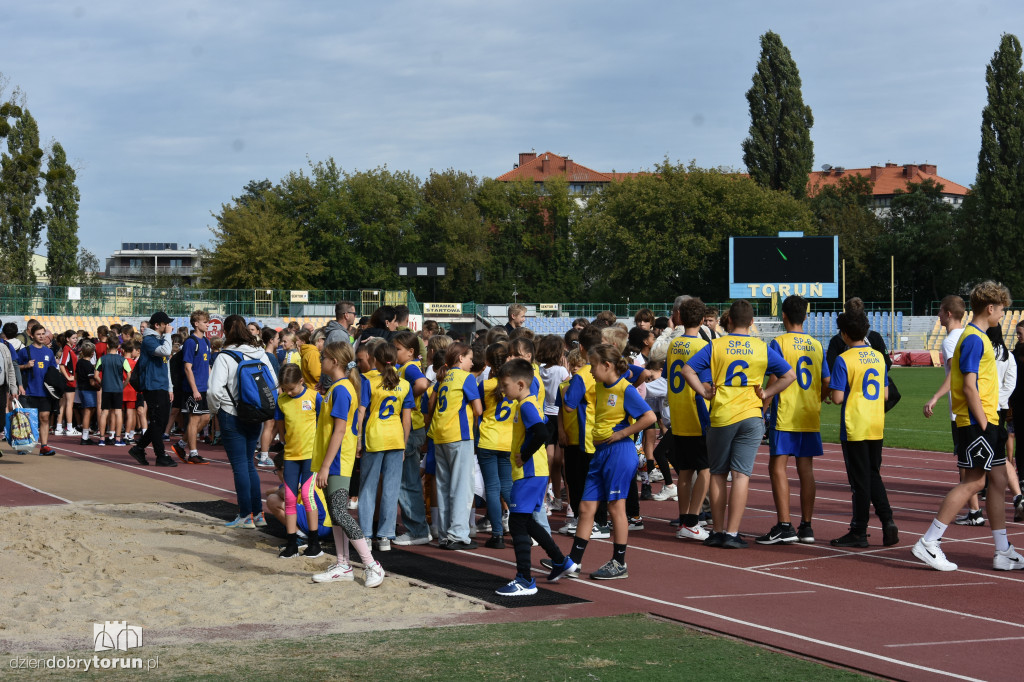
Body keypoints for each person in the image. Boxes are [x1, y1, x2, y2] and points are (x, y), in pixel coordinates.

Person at [913, 281, 1022, 571]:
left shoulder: (978, 337)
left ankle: (1002, 550)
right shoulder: (974, 339)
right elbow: (971, 388)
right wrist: (986, 425)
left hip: (989, 420)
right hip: (977, 422)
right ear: (990, 308)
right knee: (973, 482)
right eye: (1001, 310)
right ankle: (929, 542)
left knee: (998, 483)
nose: (1002, 315)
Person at [681, 300, 795, 549]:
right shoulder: (761, 347)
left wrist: (704, 392)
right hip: (751, 414)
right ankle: (733, 533)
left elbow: (687, 370)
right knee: (741, 475)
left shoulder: (716, 345)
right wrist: (766, 393)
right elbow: (790, 375)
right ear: (752, 322)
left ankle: (718, 531)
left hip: (722, 413)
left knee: (718, 473)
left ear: (729, 320)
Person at [563, 344, 655, 579]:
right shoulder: (601, 386)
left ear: (607, 365)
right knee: (585, 507)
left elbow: (649, 417)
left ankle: (619, 562)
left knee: (616, 507)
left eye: (592, 365)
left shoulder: (625, 389)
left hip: (619, 451)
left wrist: (623, 433)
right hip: (601, 451)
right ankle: (573, 562)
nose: (589, 370)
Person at [495, 358, 577, 596]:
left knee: (517, 522)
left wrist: (525, 452)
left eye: (505, 385)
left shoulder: (526, 405)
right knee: (525, 520)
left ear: (520, 384)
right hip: (534, 471)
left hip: (530, 471)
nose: (502, 389)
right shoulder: (528, 403)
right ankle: (560, 560)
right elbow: (546, 429)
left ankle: (525, 579)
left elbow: (541, 432)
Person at [310, 340, 385, 588]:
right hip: (332, 460)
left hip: (338, 461)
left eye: (324, 357)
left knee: (341, 512)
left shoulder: (342, 389)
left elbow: (340, 431)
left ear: (335, 361)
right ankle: (343, 564)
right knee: (335, 513)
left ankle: (371, 564)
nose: (320, 361)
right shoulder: (338, 388)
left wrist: (324, 466)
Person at [757, 295, 830, 545]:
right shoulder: (817, 345)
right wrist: (818, 399)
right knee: (806, 469)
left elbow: (773, 379)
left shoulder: (778, 343)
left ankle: (785, 525)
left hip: (785, 412)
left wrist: (762, 408)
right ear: (806, 316)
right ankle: (807, 526)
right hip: (809, 413)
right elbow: (827, 382)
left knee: (777, 466)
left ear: (783, 316)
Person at [828, 311, 898, 548]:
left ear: (844, 334)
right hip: (875, 423)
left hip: (854, 424)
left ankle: (859, 529)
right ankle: (888, 521)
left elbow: (837, 398)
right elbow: (887, 393)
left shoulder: (843, 359)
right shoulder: (878, 356)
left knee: (859, 481)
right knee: (872, 474)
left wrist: (834, 391)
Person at [208, 315, 276, 528]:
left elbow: (213, 390)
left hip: (231, 413)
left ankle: (245, 514)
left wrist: (214, 411)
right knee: (249, 464)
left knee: (239, 466)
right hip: (254, 412)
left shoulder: (224, 356)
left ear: (226, 332)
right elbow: (272, 382)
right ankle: (258, 514)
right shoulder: (260, 353)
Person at [923, 296, 983, 525]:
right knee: (974, 461)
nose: (937, 315)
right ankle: (978, 509)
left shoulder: (950, 342)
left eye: (939, 310)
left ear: (948, 313)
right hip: (976, 406)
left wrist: (935, 397)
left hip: (960, 410)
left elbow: (954, 376)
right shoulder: (972, 335)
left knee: (965, 463)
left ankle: (975, 512)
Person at [664, 298, 713, 540]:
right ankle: (693, 521)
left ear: (679, 317)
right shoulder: (702, 347)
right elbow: (704, 383)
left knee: (684, 471)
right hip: (696, 414)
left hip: (678, 413)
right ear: (703, 320)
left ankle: (684, 519)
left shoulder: (674, 345)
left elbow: (667, 375)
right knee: (704, 469)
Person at [358, 342, 413, 551]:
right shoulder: (405, 385)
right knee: (391, 488)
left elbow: (362, 412)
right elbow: (406, 420)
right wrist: (404, 445)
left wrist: (358, 439)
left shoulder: (369, 382)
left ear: (375, 360)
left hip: (375, 436)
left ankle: (364, 534)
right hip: (396, 438)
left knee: (368, 488)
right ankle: (385, 536)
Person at [427, 342, 483, 550]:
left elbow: (432, 405)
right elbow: (478, 410)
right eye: (469, 358)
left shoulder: (443, 377)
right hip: (459, 435)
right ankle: (458, 533)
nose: (471, 363)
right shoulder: (466, 377)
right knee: (461, 486)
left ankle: (444, 534)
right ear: (460, 358)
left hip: (440, 434)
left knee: (443, 485)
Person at [274, 363, 324, 559]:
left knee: (307, 494)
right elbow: (281, 426)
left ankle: (314, 543)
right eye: (285, 389)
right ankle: (292, 543)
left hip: (310, 456)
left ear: (301, 381)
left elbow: (322, 424)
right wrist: (285, 442)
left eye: (292, 388)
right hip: (291, 456)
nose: (289, 392)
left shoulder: (314, 397)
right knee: (290, 497)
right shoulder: (282, 400)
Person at [392, 330, 433, 546]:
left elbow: (422, 384)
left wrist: (408, 399)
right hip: (413, 426)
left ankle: (417, 529)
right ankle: (418, 527)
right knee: (407, 479)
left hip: (411, 427)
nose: (394, 352)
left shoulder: (409, 368)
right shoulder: (407, 367)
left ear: (410, 352)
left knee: (407, 480)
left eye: (397, 349)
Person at [476, 341, 514, 549]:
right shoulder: (514, 385)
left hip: (488, 438)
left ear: (488, 362)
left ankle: (497, 534)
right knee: (508, 487)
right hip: (508, 441)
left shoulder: (485, 385)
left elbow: (478, 412)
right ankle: (519, 530)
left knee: (492, 487)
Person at [128, 312, 176, 467]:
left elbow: (166, 364)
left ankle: (140, 448)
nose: (168, 326)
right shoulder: (149, 340)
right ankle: (160, 455)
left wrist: (170, 387)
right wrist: (168, 335)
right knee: (157, 421)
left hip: (161, 385)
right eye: (165, 324)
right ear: (157, 325)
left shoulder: (160, 339)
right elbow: (165, 352)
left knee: (160, 422)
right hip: (152, 385)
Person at [173, 310, 212, 465]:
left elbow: (207, 366)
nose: (207, 324)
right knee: (194, 420)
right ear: (196, 323)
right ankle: (193, 453)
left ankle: (181, 444)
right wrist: (194, 389)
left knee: (206, 418)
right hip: (193, 388)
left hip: (204, 387)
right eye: (205, 322)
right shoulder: (191, 342)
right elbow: (188, 368)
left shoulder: (207, 341)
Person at [19, 324, 58, 456]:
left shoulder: (49, 352)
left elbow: (53, 370)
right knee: (28, 420)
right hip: (29, 391)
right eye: (38, 334)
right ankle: (25, 445)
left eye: (43, 334)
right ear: (32, 335)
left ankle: (44, 446)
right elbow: (14, 367)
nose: (41, 336)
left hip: (45, 391)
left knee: (45, 417)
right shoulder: (25, 351)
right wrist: (25, 366)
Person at [95, 333, 129, 447]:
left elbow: (96, 375)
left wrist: (102, 383)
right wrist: (123, 385)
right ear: (119, 346)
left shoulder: (102, 359)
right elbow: (129, 374)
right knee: (118, 412)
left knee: (104, 412)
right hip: (118, 388)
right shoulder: (122, 359)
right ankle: (118, 439)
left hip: (107, 388)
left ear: (108, 346)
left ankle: (101, 439)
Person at [74, 342, 99, 446]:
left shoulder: (79, 362)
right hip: (88, 390)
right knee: (88, 411)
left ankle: (85, 435)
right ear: (92, 353)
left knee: (88, 411)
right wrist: (100, 386)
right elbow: (92, 382)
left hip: (81, 388)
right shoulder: (88, 365)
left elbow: (76, 376)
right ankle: (85, 436)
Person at [54, 332, 78, 436]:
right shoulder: (67, 349)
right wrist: (68, 377)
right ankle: (69, 427)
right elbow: (62, 364)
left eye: (76, 338)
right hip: (69, 381)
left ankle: (59, 427)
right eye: (73, 338)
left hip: (67, 380)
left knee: (63, 404)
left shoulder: (68, 349)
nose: (75, 340)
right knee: (69, 404)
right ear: (67, 339)